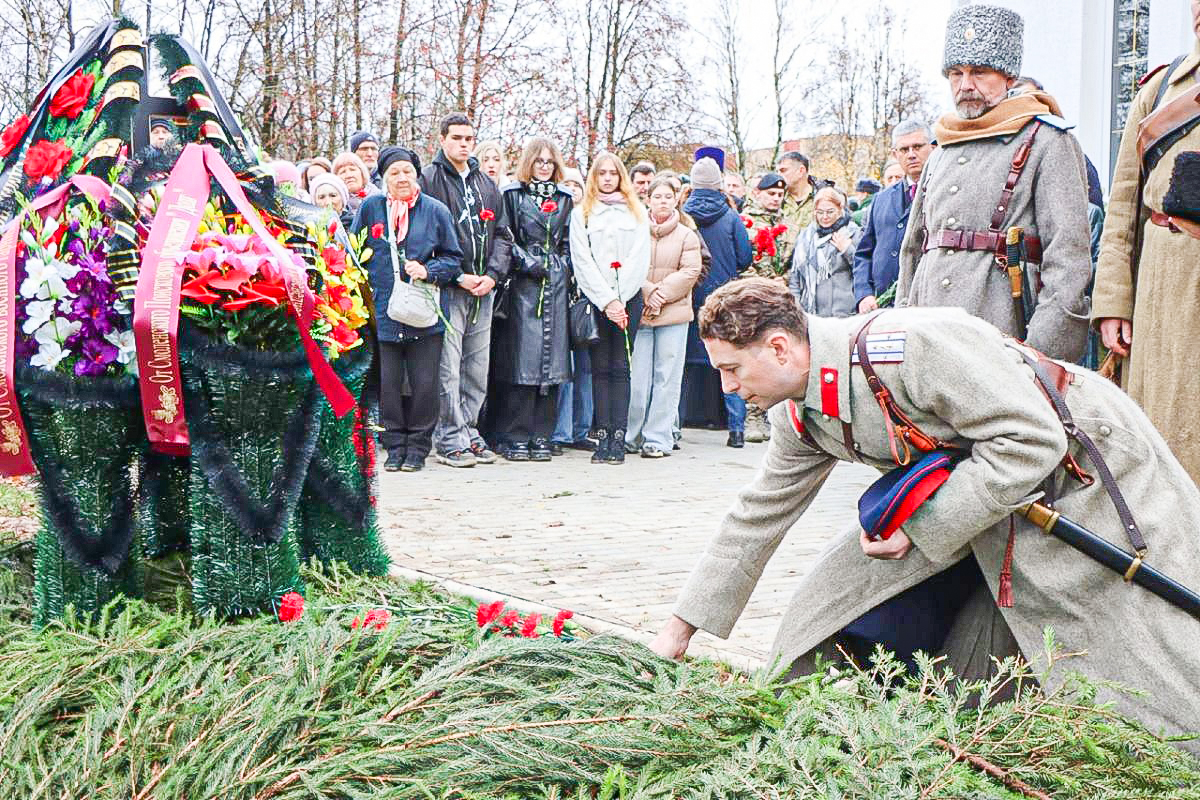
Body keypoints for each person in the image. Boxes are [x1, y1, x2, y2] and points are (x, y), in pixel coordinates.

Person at [650, 278, 1200, 758]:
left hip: (1089, 469)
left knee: (1138, 642)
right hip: (995, 492)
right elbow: (756, 515)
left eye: (731, 369)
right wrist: (679, 630)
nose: (726, 387)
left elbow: (1031, 439)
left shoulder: (910, 348)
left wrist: (920, 529)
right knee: (828, 613)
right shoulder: (798, 414)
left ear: (778, 347)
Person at [897, 4, 1092, 363]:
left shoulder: (1047, 141)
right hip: (926, 335)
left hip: (1001, 339)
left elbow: (1068, 258)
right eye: (956, 73)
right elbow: (913, 249)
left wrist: (1039, 356)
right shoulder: (942, 149)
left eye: (979, 72)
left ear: (1008, 77)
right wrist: (900, 331)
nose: (965, 85)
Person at [1093, 5, 1200, 483]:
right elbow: (1122, 210)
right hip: (1163, 289)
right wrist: (1113, 304)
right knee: (1161, 445)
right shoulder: (1160, 90)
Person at [352, 146, 463, 473]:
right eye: (394, 173)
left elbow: (453, 259)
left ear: (416, 174)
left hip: (423, 311)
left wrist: (428, 270)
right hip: (385, 311)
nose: (402, 178)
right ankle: (394, 445)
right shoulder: (372, 208)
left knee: (424, 384)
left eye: (407, 172)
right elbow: (355, 250)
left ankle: (417, 447)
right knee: (388, 383)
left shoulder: (435, 211)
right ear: (384, 177)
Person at [420, 112, 512, 468]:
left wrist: (492, 275)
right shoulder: (429, 179)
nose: (463, 144)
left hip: (484, 289)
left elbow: (503, 235)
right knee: (449, 366)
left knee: (477, 366)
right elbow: (423, 236)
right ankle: (448, 436)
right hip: (449, 288)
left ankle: (469, 431)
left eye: (468, 138)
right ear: (442, 139)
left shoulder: (485, 184)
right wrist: (456, 275)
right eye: (456, 137)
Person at [490, 138, 575, 461]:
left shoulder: (565, 198)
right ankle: (517, 435)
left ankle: (543, 435)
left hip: (556, 283)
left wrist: (562, 266)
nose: (544, 167)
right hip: (524, 284)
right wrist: (527, 262)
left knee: (552, 365)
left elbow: (569, 240)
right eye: (539, 161)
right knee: (522, 363)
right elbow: (506, 235)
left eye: (549, 162)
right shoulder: (513, 195)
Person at [569, 152, 651, 464]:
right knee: (600, 369)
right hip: (597, 301)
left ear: (620, 177)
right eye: (601, 173)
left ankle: (619, 436)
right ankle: (602, 435)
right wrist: (607, 301)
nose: (607, 178)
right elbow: (582, 260)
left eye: (612, 173)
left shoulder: (636, 212)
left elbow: (640, 258)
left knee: (621, 368)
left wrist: (621, 299)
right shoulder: (583, 213)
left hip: (628, 299)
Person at [626, 177, 702, 458]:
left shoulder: (687, 235)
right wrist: (648, 292)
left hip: (674, 315)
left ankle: (658, 439)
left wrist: (661, 295)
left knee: (667, 377)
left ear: (676, 200)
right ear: (648, 199)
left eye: (668, 197)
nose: (662, 202)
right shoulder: (635, 230)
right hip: (641, 312)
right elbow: (627, 264)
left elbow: (690, 271)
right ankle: (632, 435)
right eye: (657, 196)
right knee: (638, 378)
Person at [680, 157, 753, 447]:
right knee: (730, 363)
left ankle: (674, 428)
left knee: (681, 366)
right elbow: (745, 257)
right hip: (724, 298)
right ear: (718, 184)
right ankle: (736, 431)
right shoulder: (731, 216)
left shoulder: (682, 215)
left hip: (688, 296)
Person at [854, 119, 935, 314]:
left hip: (929, 305)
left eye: (917, 147)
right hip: (883, 307)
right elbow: (864, 253)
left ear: (933, 147)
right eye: (904, 149)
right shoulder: (881, 199)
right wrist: (864, 294)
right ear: (895, 154)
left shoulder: (945, 192)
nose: (911, 154)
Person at [788, 187, 862, 318]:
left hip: (845, 314)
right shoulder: (805, 237)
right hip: (811, 314)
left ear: (840, 210)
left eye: (830, 212)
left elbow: (863, 270)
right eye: (820, 212)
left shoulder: (853, 233)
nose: (825, 217)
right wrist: (796, 307)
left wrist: (847, 250)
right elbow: (795, 277)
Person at [742, 171, 791, 279]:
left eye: (780, 195)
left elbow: (796, 259)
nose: (776, 198)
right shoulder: (745, 222)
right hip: (755, 285)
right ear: (757, 193)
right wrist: (763, 283)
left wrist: (785, 279)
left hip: (782, 285)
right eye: (771, 193)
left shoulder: (787, 223)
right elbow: (740, 261)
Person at [776, 151, 825, 235]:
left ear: (801, 171)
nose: (778, 175)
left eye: (783, 170)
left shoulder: (824, 196)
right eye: (777, 172)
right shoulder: (776, 198)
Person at [332, 152, 378, 216]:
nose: (349, 175)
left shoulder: (379, 198)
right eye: (343, 172)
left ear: (362, 173)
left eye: (352, 170)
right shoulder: (333, 205)